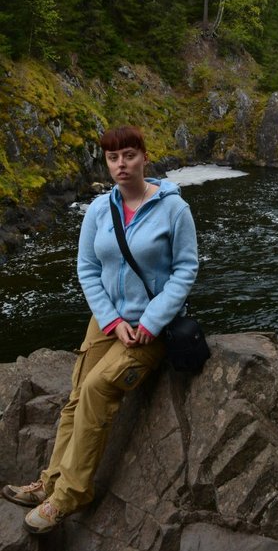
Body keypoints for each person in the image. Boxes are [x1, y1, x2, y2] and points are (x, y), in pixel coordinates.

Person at [2, 125, 198, 534]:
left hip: (152, 327)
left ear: (144, 156)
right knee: (76, 397)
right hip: (107, 319)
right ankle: (50, 482)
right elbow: (87, 269)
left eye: (128, 155)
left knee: (97, 388)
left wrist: (147, 322)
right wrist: (110, 320)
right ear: (106, 162)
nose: (121, 165)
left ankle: (69, 496)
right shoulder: (98, 210)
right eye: (113, 158)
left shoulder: (173, 209)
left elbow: (185, 270)